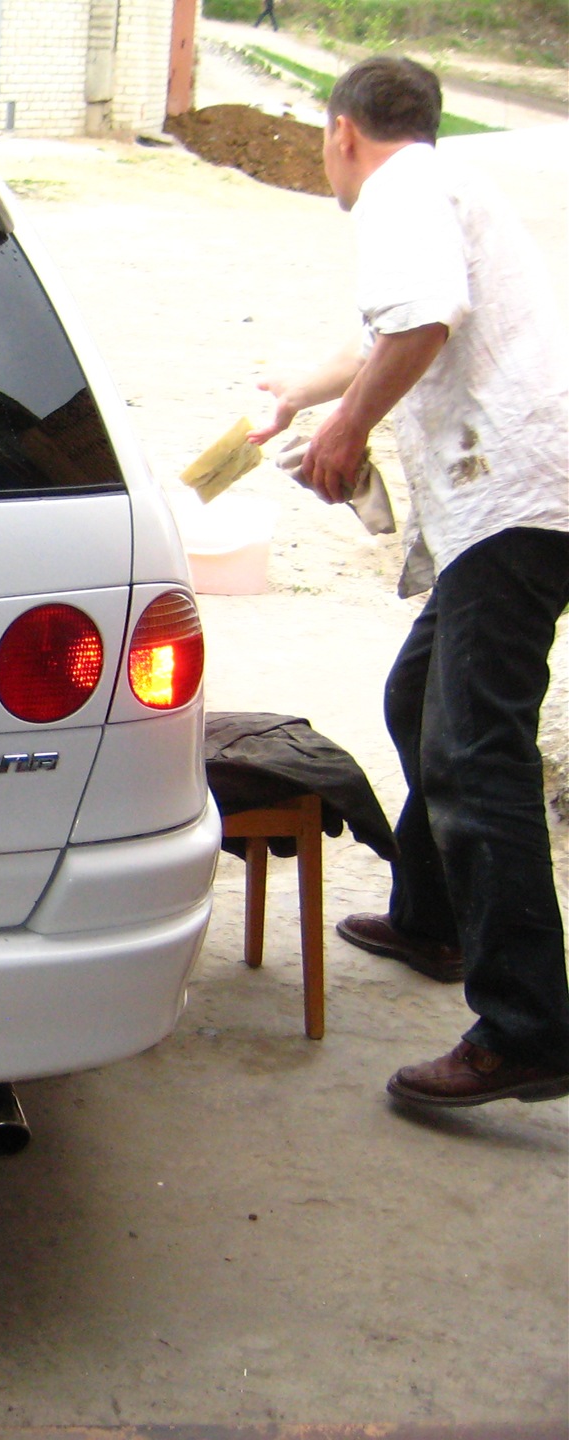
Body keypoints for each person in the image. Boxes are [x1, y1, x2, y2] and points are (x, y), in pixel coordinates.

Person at [249, 55, 569, 1108]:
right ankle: (433, 922)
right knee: (416, 699)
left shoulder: (398, 191)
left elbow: (422, 319)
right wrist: (303, 389)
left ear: (344, 132)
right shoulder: (438, 186)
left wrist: (347, 431)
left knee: (474, 749)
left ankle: (528, 1027)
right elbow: (398, 325)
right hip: (516, 497)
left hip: (520, 499)